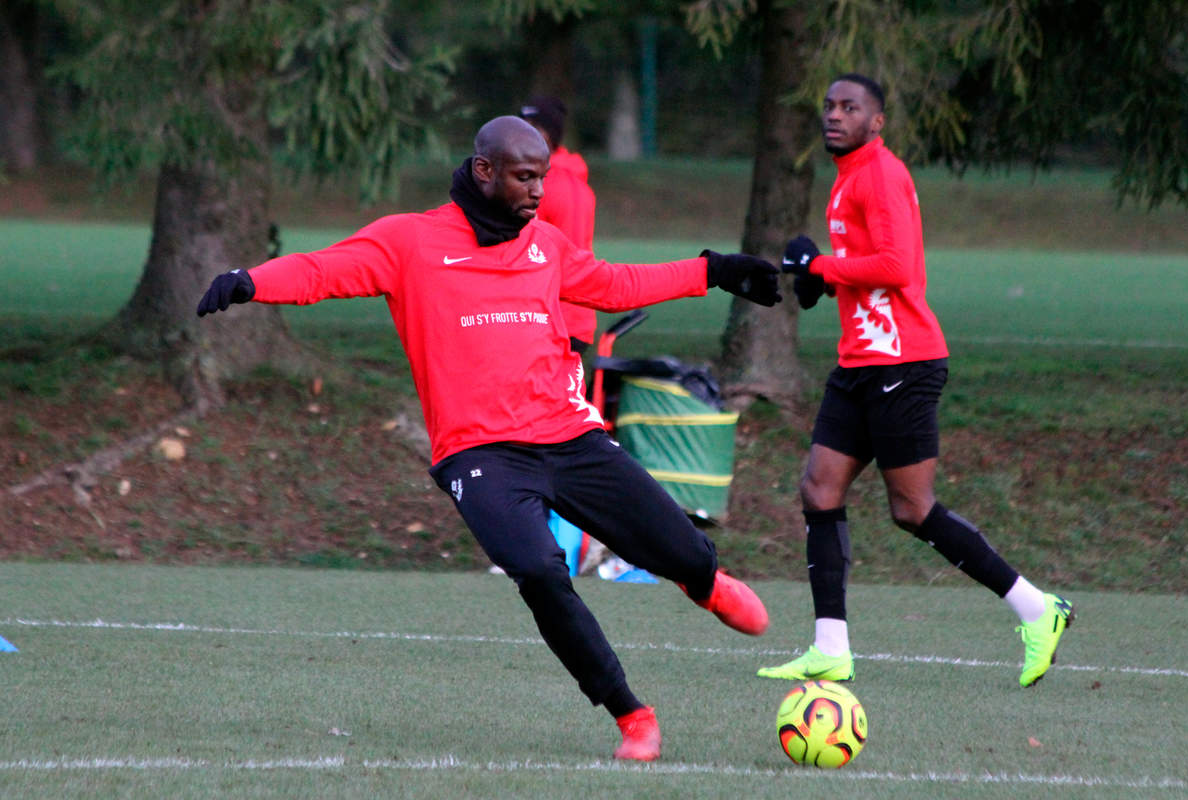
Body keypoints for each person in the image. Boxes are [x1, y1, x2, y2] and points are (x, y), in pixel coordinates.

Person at [196, 115, 780, 762]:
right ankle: (632, 714)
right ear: (484, 171)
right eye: (526, 178)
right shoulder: (410, 242)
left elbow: (615, 284)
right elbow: (325, 271)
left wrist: (714, 269)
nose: (538, 192)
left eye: (543, 178)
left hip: (568, 434)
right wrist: (250, 282)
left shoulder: (546, 245)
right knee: (538, 570)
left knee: (684, 550)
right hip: (479, 454)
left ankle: (704, 583)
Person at [758, 74, 1074, 689]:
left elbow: (899, 267)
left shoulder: (879, 174)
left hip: (903, 364)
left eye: (850, 108)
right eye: (829, 106)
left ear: (877, 121)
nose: (834, 116)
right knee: (820, 489)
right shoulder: (848, 176)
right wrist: (821, 278)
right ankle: (830, 647)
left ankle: (1038, 610)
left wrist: (820, 264)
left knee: (912, 508)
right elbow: (866, 270)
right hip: (860, 365)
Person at [519, 95, 598, 355]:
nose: (520, 136)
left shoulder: (548, 185)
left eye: (531, 129)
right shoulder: (567, 180)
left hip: (554, 319)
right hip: (570, 318)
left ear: (548, 135)